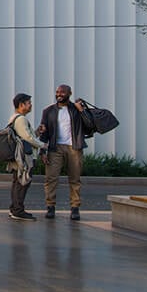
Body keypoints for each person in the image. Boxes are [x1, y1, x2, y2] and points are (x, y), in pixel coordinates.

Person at [37, 84, 88, 221]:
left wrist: (82, 111)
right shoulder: (48, 111)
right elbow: (44, 132)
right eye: (57, 92)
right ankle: (50, 206)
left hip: (74, 147)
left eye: (62, 92)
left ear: (69, 93)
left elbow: (89, 125)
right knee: (51, 178)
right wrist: (43, 151)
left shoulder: (76, 109)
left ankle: (75, 208)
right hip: (55, 148)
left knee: (75, 179)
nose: (59, 94)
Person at [8, 92, 48, 221]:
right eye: (29, 103)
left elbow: (26, 135)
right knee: (22, 183)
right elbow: (27, 137)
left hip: (18, 156)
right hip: (24, 157)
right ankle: (18, 211)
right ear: (21, 105)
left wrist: (36, 131)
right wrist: (43, 145)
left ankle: (15, 208)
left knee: (17, 182)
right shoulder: (21, 119)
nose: (31, 105)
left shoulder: (15, 118)